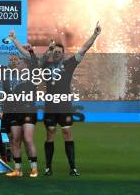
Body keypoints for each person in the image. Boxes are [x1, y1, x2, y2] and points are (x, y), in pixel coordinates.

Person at [42, 22, 102, 177]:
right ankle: (48, 168)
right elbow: (34, 59)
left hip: (64, 106)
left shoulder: (69, 64)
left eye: (58, 52)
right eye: (54, 52)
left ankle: (73, 167)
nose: (56, 54)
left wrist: (94, 35)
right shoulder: (45, 65)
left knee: (67, 134)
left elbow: (84, 48)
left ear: (63, 53)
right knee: (50, 134)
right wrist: (47, 51)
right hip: (50, 106)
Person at [1, 30, 39, 177]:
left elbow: (28, 55)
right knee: (15, 140)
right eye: (16, 62)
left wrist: (14, 39)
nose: (18, 63)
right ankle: (17, 169)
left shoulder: (32, 73)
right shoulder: (11, 79)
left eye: (21, 62)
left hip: (29, 110)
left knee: (28, 139)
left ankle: (34, 168)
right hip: (15, 111)